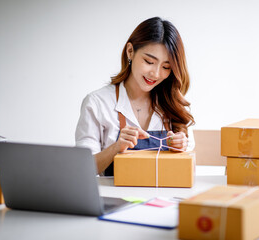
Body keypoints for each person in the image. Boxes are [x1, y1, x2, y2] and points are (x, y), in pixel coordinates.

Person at [75, 17, 195, 175]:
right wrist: (116, 147)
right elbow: (83, 170)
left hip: (162, 198)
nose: (156, 73)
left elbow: (189, 171)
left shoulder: (174, 105)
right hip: (115, 197)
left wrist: (181, 149)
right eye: (149, 61)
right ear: (130, 51)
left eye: (166, 67)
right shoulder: (97, 103)